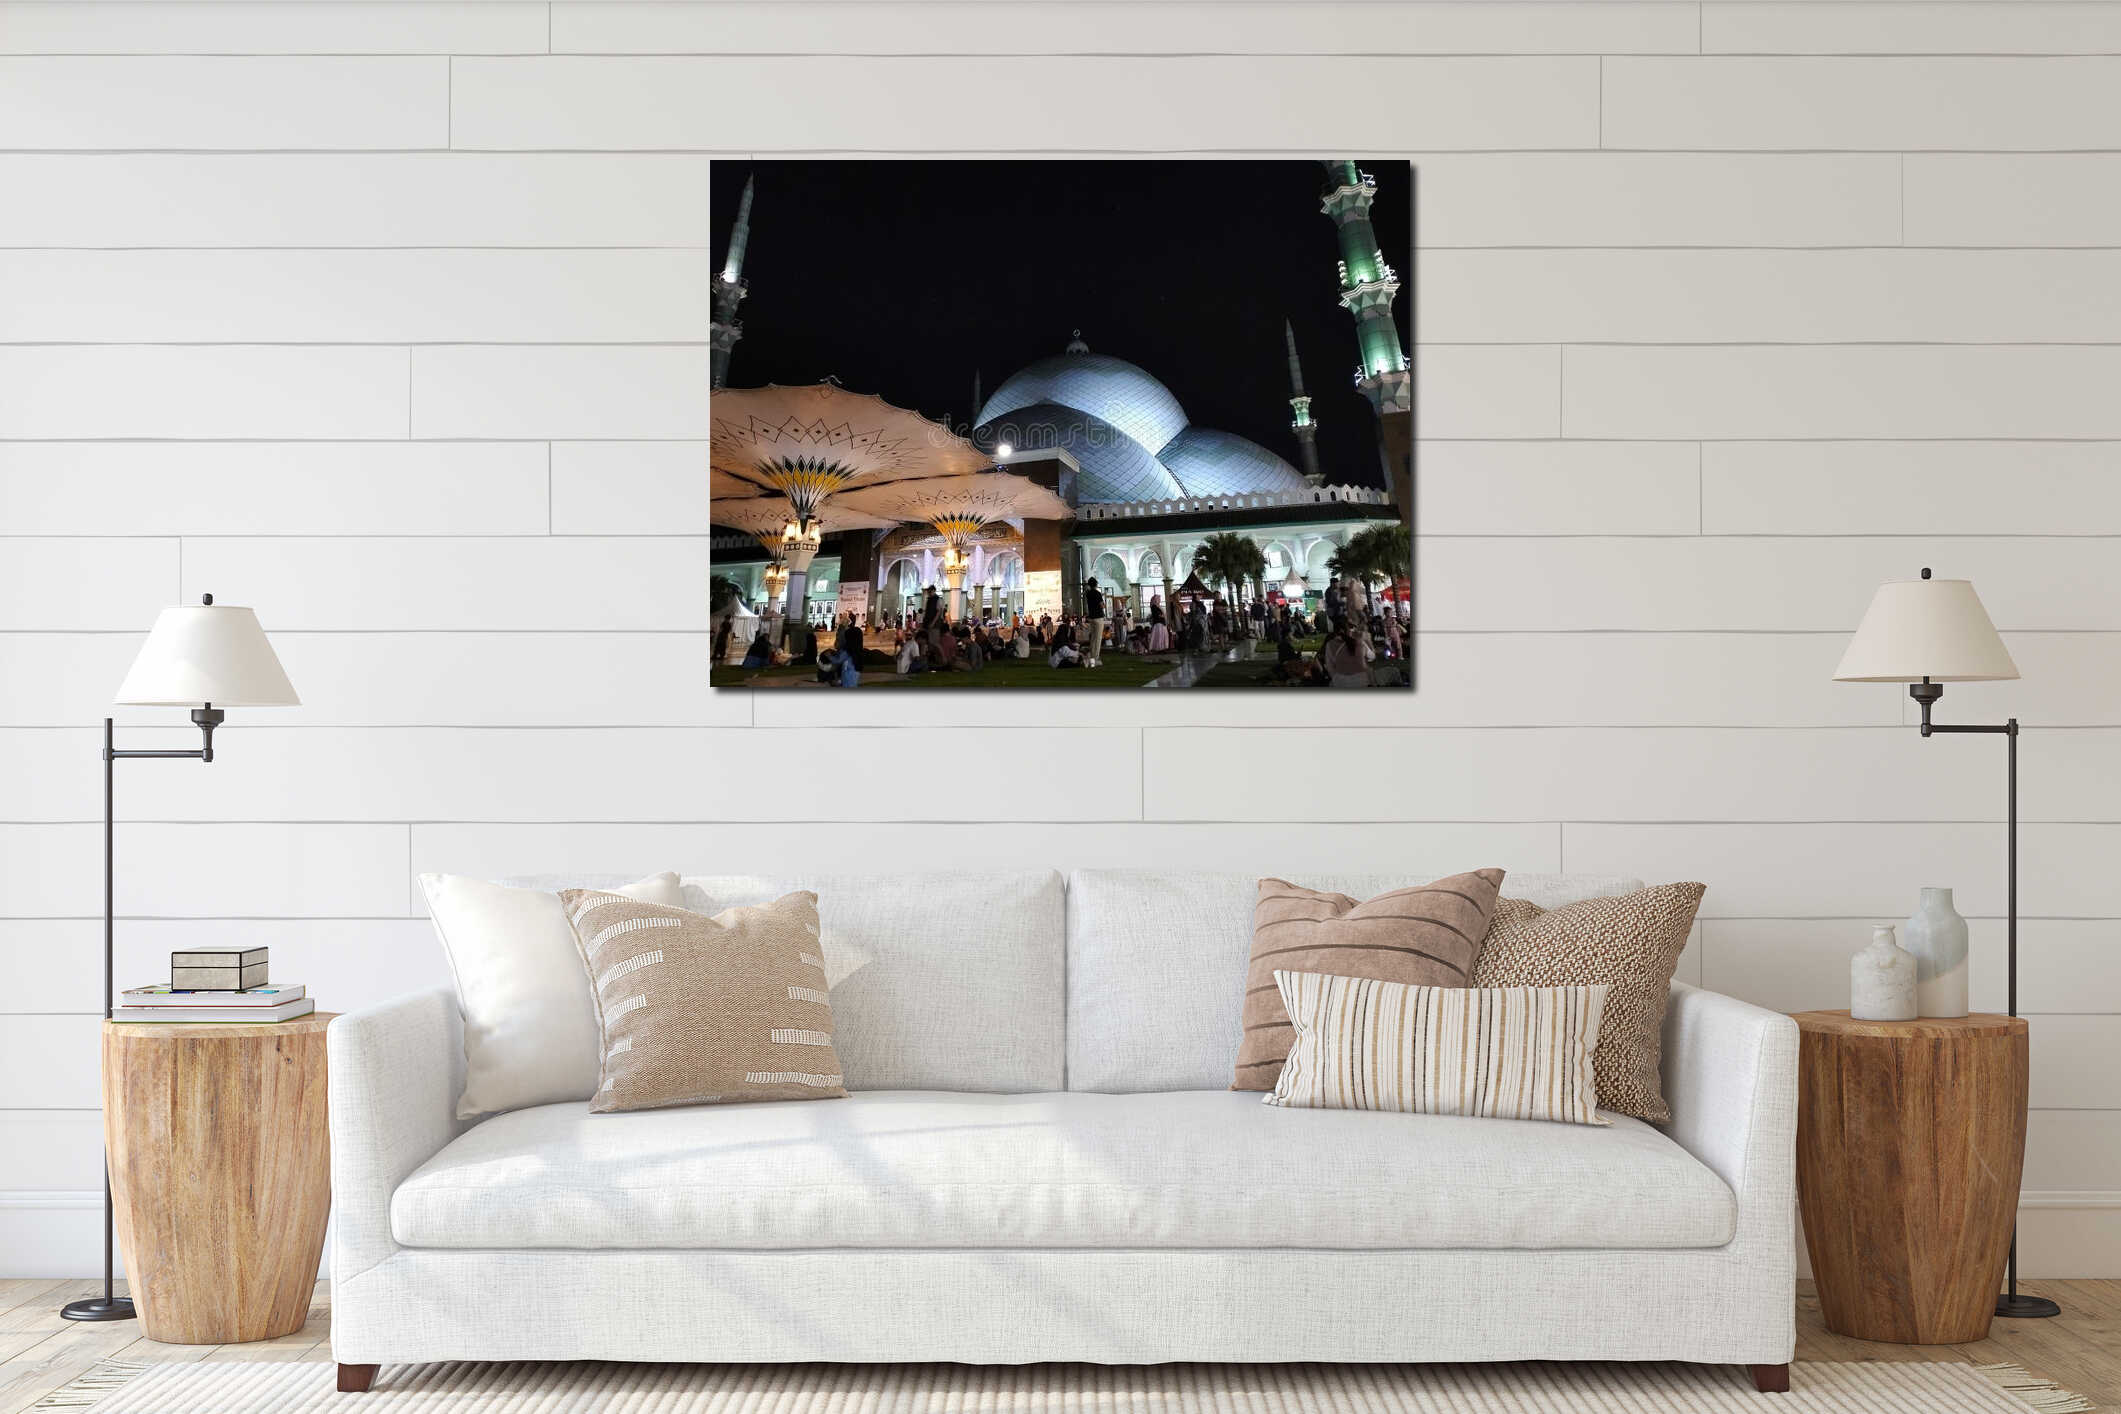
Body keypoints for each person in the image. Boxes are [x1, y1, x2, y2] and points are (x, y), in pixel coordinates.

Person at [1321, 623, 1374, 688]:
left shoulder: (1329, 644)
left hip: (1341, 681)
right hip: (1361, 680)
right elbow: (1372, 656)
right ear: (1347, 630)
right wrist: (1369, 641)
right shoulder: (1358, 642)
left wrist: (1336, 678)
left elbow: (1330, 666)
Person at [1080, 577, 1107, 669]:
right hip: (1098, 617)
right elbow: (1102, 605)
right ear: (1096, 584)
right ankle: (1095, 658)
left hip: (1091, 617)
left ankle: (1091, 656)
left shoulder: (1088, 594)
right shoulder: (1097, 593)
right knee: (1098, 639)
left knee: (1093, 638)